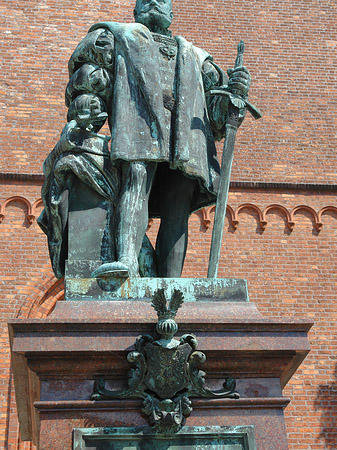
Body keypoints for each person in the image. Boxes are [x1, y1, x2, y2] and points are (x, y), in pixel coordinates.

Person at [42, 0, 251, 279]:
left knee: (179, 200)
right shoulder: (116, 37)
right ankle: (127, 261)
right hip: (138, 121)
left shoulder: (198, 58)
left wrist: (235, 92)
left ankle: (171, 283)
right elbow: (91, 83)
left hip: (186, 137)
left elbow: (216, 117)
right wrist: (86, 110)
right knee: (136, 178)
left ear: (172, 13)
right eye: (145, 0)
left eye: (162, 0)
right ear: (135, 12)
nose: (154, 2)